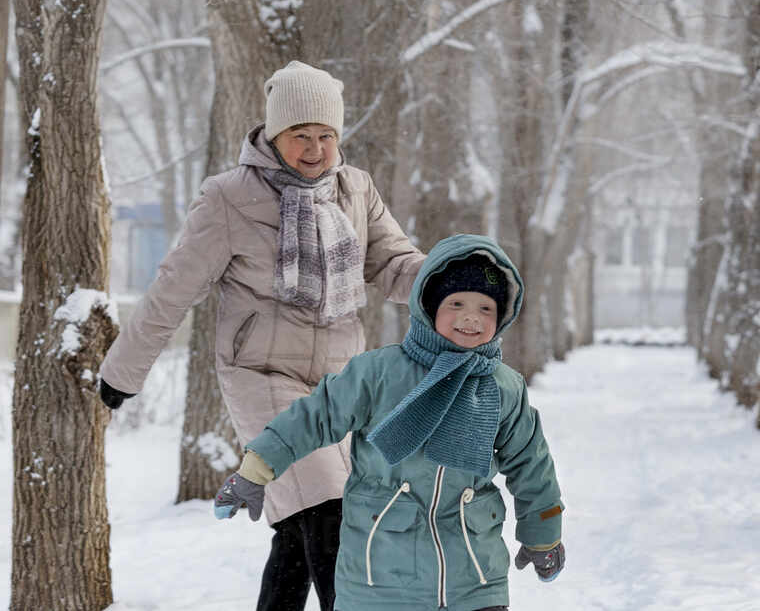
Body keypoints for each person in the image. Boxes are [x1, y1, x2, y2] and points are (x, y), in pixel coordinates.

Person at [98, 60, 426, 611]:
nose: (316, 149)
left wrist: (450, 279)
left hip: (339, 388)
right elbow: (173, 289)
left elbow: (394, 263)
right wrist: (122, 372)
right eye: (302, 135)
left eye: (326, 135)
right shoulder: (229, 197)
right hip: (262, 378)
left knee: (298, 531)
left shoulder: (355, 189)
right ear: (275, 134)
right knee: (328, 510)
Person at [214, 234, 565, 611]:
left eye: (485, 309)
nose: (470, 318)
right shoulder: (379, 373)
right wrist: (256, 468)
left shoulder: (504, 387)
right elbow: (315, 416)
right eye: (456, 303)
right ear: (429, 307)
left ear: (502, 316)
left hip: (475, 577)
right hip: (379, 577)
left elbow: (533, 465)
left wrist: (543, 534)